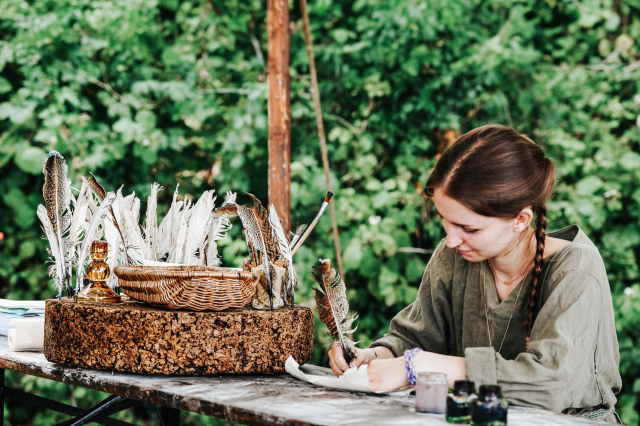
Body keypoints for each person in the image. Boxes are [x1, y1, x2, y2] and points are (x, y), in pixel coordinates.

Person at [328, 125, 622, 422]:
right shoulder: (454, 254)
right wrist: (373, 357)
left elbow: (549, 385)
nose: (452, 240)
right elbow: (417, 340)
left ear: (520, 219)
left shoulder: (576, 270)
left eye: (470, 228)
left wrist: (420, 365)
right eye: (446, 220)